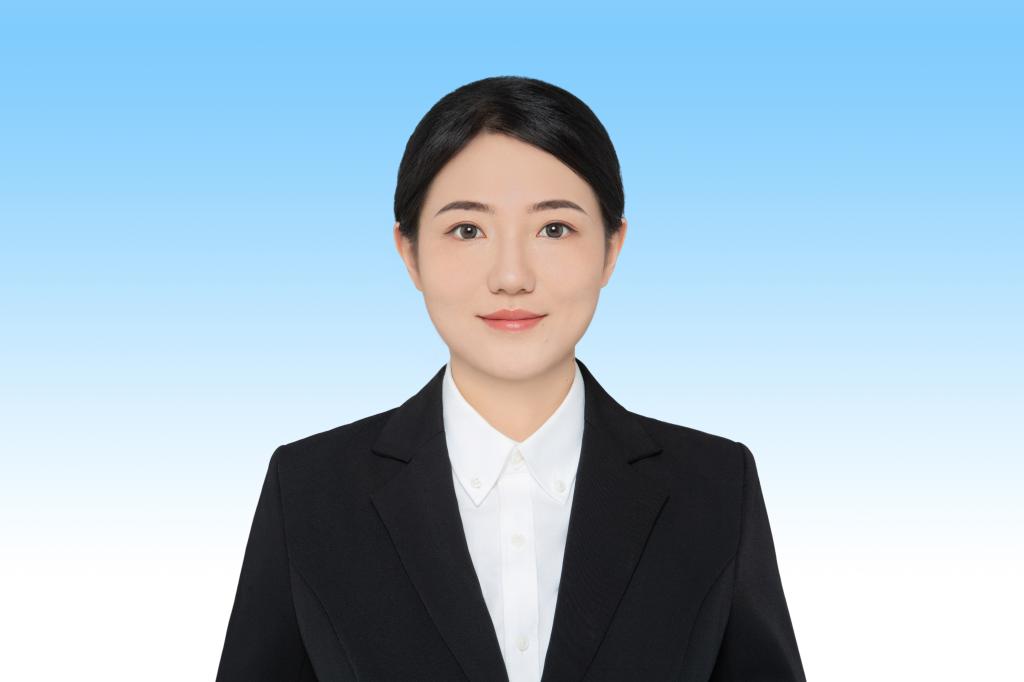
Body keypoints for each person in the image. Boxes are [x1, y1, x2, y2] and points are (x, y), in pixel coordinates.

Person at [216, 75, 806, 682]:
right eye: (467, 230)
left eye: (554, 229)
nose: (511, 277)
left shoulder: (714, 487)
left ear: (612, 248)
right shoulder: (310, 491)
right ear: (409, 252)